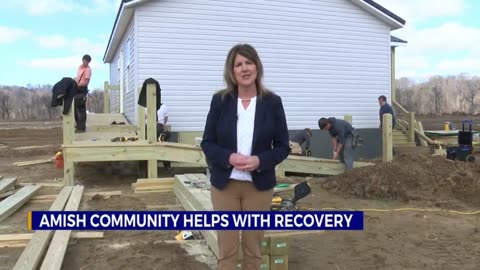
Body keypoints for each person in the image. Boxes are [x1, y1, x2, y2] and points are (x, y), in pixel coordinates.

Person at [201, 44, 289, 270]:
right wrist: (229, 157)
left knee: (253, 251)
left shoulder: (272, 102)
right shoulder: (220, 101)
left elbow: (282, 147)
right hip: (225, 186)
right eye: (238, 64)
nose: (244, 68)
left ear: (257, 67)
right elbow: (207, 143)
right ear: (232, 72)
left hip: (258, 188)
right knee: (227, 252)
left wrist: (260, 161)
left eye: (249, 63)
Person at [74, 54, 92, 132]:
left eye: (87, 62)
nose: (86, 63)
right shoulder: (79, 67)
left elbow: (86, 82)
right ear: (83, 60)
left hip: (82, 89)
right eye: (85, 61)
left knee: (81, 108)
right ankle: (78, 125)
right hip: (76, 89)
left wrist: (78, 84)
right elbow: (78, 78)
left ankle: (81, 128)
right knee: (75, 108)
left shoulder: (88, 70)